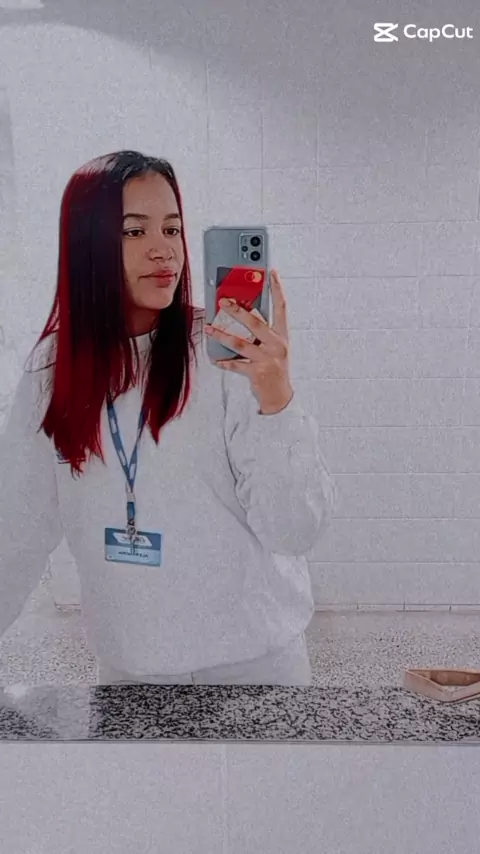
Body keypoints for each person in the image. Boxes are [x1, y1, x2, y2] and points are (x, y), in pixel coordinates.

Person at [0, 150, 336, 686]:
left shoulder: (222, 352)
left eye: (172, 228)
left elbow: (294, 528)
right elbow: (14, 534)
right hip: (130, 677)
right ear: (87, 244)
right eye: (134, 231)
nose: (164, 249)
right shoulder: (52, 370)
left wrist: (276, 398)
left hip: (256, 671)